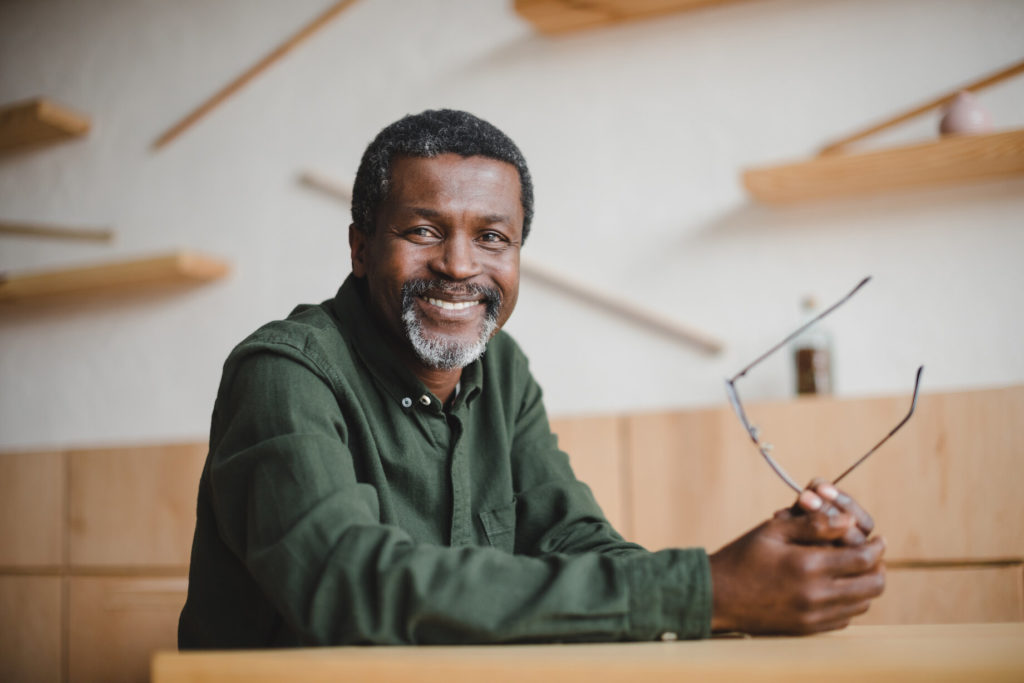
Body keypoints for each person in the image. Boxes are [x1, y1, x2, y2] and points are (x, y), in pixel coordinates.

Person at [178, 109, 885, 648]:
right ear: (361, 248)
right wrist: (704, 592)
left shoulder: (500, 368)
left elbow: (578, 542)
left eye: (492, 237)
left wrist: (762, 567)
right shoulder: (283, 371)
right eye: (423, 230)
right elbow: (350, 585)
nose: (459, 265)